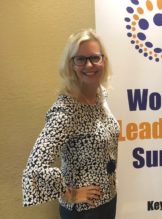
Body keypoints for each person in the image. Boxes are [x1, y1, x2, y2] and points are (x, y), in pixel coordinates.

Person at [22, 29, 120, 219]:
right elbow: (35, 167)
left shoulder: (101, 97)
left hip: (108, 198)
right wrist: (71, 194)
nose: (89, 64)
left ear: (104, 60)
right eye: (80, 59)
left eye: (94, 57)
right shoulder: (66, 111)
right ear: (71, 64)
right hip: (85, 210)